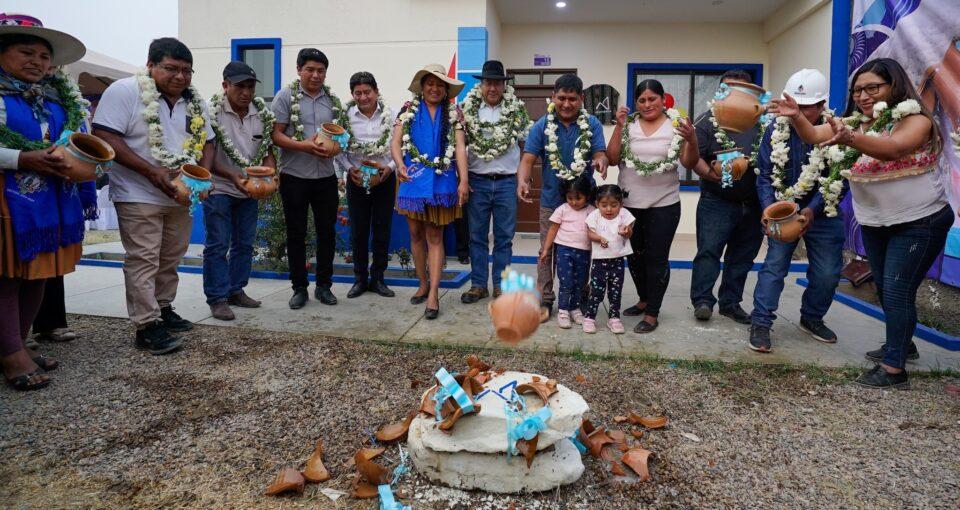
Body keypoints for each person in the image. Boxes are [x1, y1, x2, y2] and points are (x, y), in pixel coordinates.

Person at [772, 58, 954, 389]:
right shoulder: (855, 123)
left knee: (897, 289)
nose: (864, 96)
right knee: (887, 288)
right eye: (858, 90)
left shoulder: (914, 120)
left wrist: (850, 137)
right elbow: (813, 135)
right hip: (876, 222)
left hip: (920, 220)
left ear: (894, 86)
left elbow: (894, 148)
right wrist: (798, 116)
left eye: (872, 88)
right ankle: (903, 343)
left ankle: (894, 370)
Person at [93, 37, 214, 355]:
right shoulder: (125, 91)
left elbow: (209, 141)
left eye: (187, 71)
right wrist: (152, 171)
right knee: (144, 258)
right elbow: (105, 135)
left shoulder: (195, 102)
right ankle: (146, 325)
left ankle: (163, 308)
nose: (180, 77)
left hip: (181, 194)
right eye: (171, 68)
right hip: (138, 191)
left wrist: (203, 175)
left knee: (171, 256)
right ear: (150, 65)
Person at [0, 13, 93, 389]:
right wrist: (23, 159)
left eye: (43, 55)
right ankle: (10, 355)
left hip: (51, 200)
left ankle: (17, 342)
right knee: (7, 277)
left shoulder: (58, 97)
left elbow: (76, 140)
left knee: (39, 272)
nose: (36, 62)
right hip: (8, 202)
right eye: (26, 52)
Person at [748, 69, 844, 353]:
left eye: (805, 108)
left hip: (824, 213)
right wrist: (769, 209)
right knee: (774, 268)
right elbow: (764, 174)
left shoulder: (836, 130)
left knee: (827, 273)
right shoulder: (774, 130)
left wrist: (813, 210)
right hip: (782, 212)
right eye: (794, 106)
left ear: (822, 105)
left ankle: (812, 318)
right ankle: (761, 323)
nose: (797, 113)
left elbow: (839, 176)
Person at [518, 74, 609, 321]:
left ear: (581, 98)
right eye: (561, 98)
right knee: (547, 251)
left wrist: (601, 160)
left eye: (572, 99)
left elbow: (600, 152)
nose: (566, 104)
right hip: (551, 201)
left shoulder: (592, 124)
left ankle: (580, 296)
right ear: (553, 97)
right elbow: (528, 159)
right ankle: (546, 299)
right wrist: (522, 180)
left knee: (583, 250)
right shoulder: (542, 125)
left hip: (585, 204)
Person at [680, 69, 766, 325]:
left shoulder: (764, 122)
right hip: (717, 201)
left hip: (753, 203)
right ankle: (703, 301)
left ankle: (731, 303)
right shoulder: (707, 120)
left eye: (740, 89)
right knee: (708, 252)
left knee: (742, 257)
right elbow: (693, 160)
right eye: (727, 89)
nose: (733, 94)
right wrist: (711, 174)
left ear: (751, 94)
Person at [606, 79, 692, 333]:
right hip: (630, 205)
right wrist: (619, 127)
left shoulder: (676, 125)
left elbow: (688, 160)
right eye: (641, 100)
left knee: (656, 259)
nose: (646, 104)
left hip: (664, 204)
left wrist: (692, 139)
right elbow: (612, 159)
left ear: (663, 99)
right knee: (634, 257)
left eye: (652, 99)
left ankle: (653, 312)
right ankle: (643, 299)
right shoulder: (628, 125)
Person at [391, 64, 468, 319]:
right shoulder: (407, 111)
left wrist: (463, 181)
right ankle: (422, 283)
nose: (434, 88)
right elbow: (395, 141)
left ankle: (434, 293)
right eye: (430, 83)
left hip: (442, 181)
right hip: (412, 179)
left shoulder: (454, 113)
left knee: (435, 236)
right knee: (415, 233)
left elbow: (459, 148)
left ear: (445, 89)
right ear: (422, 87)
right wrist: (400, 164)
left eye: (439, 84)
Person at [203, 61, 277, 320]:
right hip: (220, 187)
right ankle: (217, 298)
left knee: (244, 244)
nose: (246, 92)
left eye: (250, 87)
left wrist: (271, 175)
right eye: (239, 86)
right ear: (225, 85)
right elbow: (208, 156)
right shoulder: (211, 113)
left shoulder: (262, 114)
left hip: (249, 190)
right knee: (217, 244)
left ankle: (236, 289)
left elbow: (267, 151)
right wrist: (233, 175)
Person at [270, 48, 343, 310]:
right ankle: (299, 288)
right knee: (296, 233)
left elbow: (341, 137)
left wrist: (335, 148)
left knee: (327, 233)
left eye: (320, 70)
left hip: (325, 176)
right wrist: (303, 146)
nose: (315, 75)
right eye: (310, 69)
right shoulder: (285, 97)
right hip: (295, 176)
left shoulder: (332, 101)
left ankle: (324, 286)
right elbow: (276, 135)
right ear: (299, 70)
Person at [459, 60, 530, 305]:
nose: (492, 87)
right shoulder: (467, 109)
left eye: (497, 82)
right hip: (477, 181)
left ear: (504, 85)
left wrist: (523, 179)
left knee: (504, 238)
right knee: (476, 236)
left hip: (506, 182)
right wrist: (463, 179)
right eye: (488, 82)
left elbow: (526, 148)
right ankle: (478, 284)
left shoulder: (516, 110)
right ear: (481, 84)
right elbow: (459, 145)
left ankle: (501, 285)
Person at [337, 71, 396, 299]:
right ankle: (360, 279)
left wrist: (389, 168)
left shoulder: (390, 116)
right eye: (358, 93)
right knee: (358, 231)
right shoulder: (345, 118)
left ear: (376, 92)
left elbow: (398, 147)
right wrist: (350, 169)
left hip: (384, 178)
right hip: (356, 179)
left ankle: (378, 279)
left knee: (382, 229)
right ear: (352, 94)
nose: (363, 97)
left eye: (367, 92)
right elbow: (339, 150)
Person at [538, 175, 595, 329]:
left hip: (583, 252)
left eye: (578, 198)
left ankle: (574, 309)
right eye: (570, 198)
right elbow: (552, 230)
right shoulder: (562, 209)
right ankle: (563, 310)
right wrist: (545, 250)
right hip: (564, 251)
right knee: (566, 282)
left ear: (587, 196)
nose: (574, 202)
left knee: (580, 282)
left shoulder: (592, 211)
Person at [583, 185, 635, 334]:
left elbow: (630, 231)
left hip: (617, 261)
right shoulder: (594, 216)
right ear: (596, 204)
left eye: (614, 205)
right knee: (596, 292)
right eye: (604, 205)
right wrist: (599, 238)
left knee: (615, 292)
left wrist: (626, 231)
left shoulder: (624, 215)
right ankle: (590, 318)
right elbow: (589, 234)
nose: (609, 209)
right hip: (599, 261)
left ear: (621, 204)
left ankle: (614, 318)